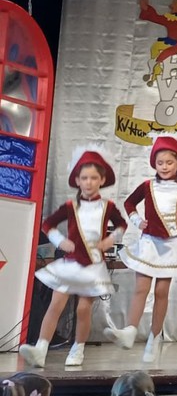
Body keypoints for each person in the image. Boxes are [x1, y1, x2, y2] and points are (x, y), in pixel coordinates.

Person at [18, 148, 125, 368]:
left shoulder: (108, 207)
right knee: (55, 305)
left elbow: (122, 224)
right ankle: (40, 349)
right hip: (70, 263)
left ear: (102, 180)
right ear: (77, 180)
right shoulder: (70, 206)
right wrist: (60, 241)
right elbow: (47, 224)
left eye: (93, 178)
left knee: (83, 309)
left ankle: (78, 349)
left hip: (93, 265)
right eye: (84, 178)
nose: (89, 182)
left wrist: (110, 240)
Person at [106, 132, 177, 363]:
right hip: (149, 242)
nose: (164, 167)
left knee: (161, 292)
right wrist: (137, 221)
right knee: (141, 289)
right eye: (160, 163)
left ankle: (154, 338)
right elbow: (129, 202)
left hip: (170, 244)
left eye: (169, 162)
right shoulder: (147, 186)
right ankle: (129, 331)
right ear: (154, 164)